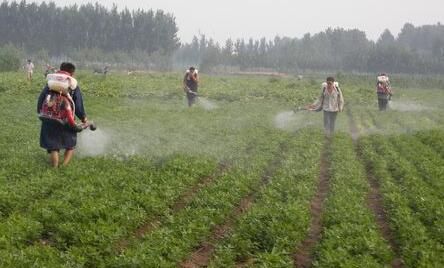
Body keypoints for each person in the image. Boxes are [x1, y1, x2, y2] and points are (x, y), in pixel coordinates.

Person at [37, 62, 88, 168]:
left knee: (53, 146)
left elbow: (42, 98)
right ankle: (64, 167)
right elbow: (77, 105)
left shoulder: (51, 83)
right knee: (70, 145)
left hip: (49, 117)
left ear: (60, 69)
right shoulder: (73, 85)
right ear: (72, 73)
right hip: (66, 119)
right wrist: (83, 118)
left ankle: (54, 168)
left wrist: (40, 111)